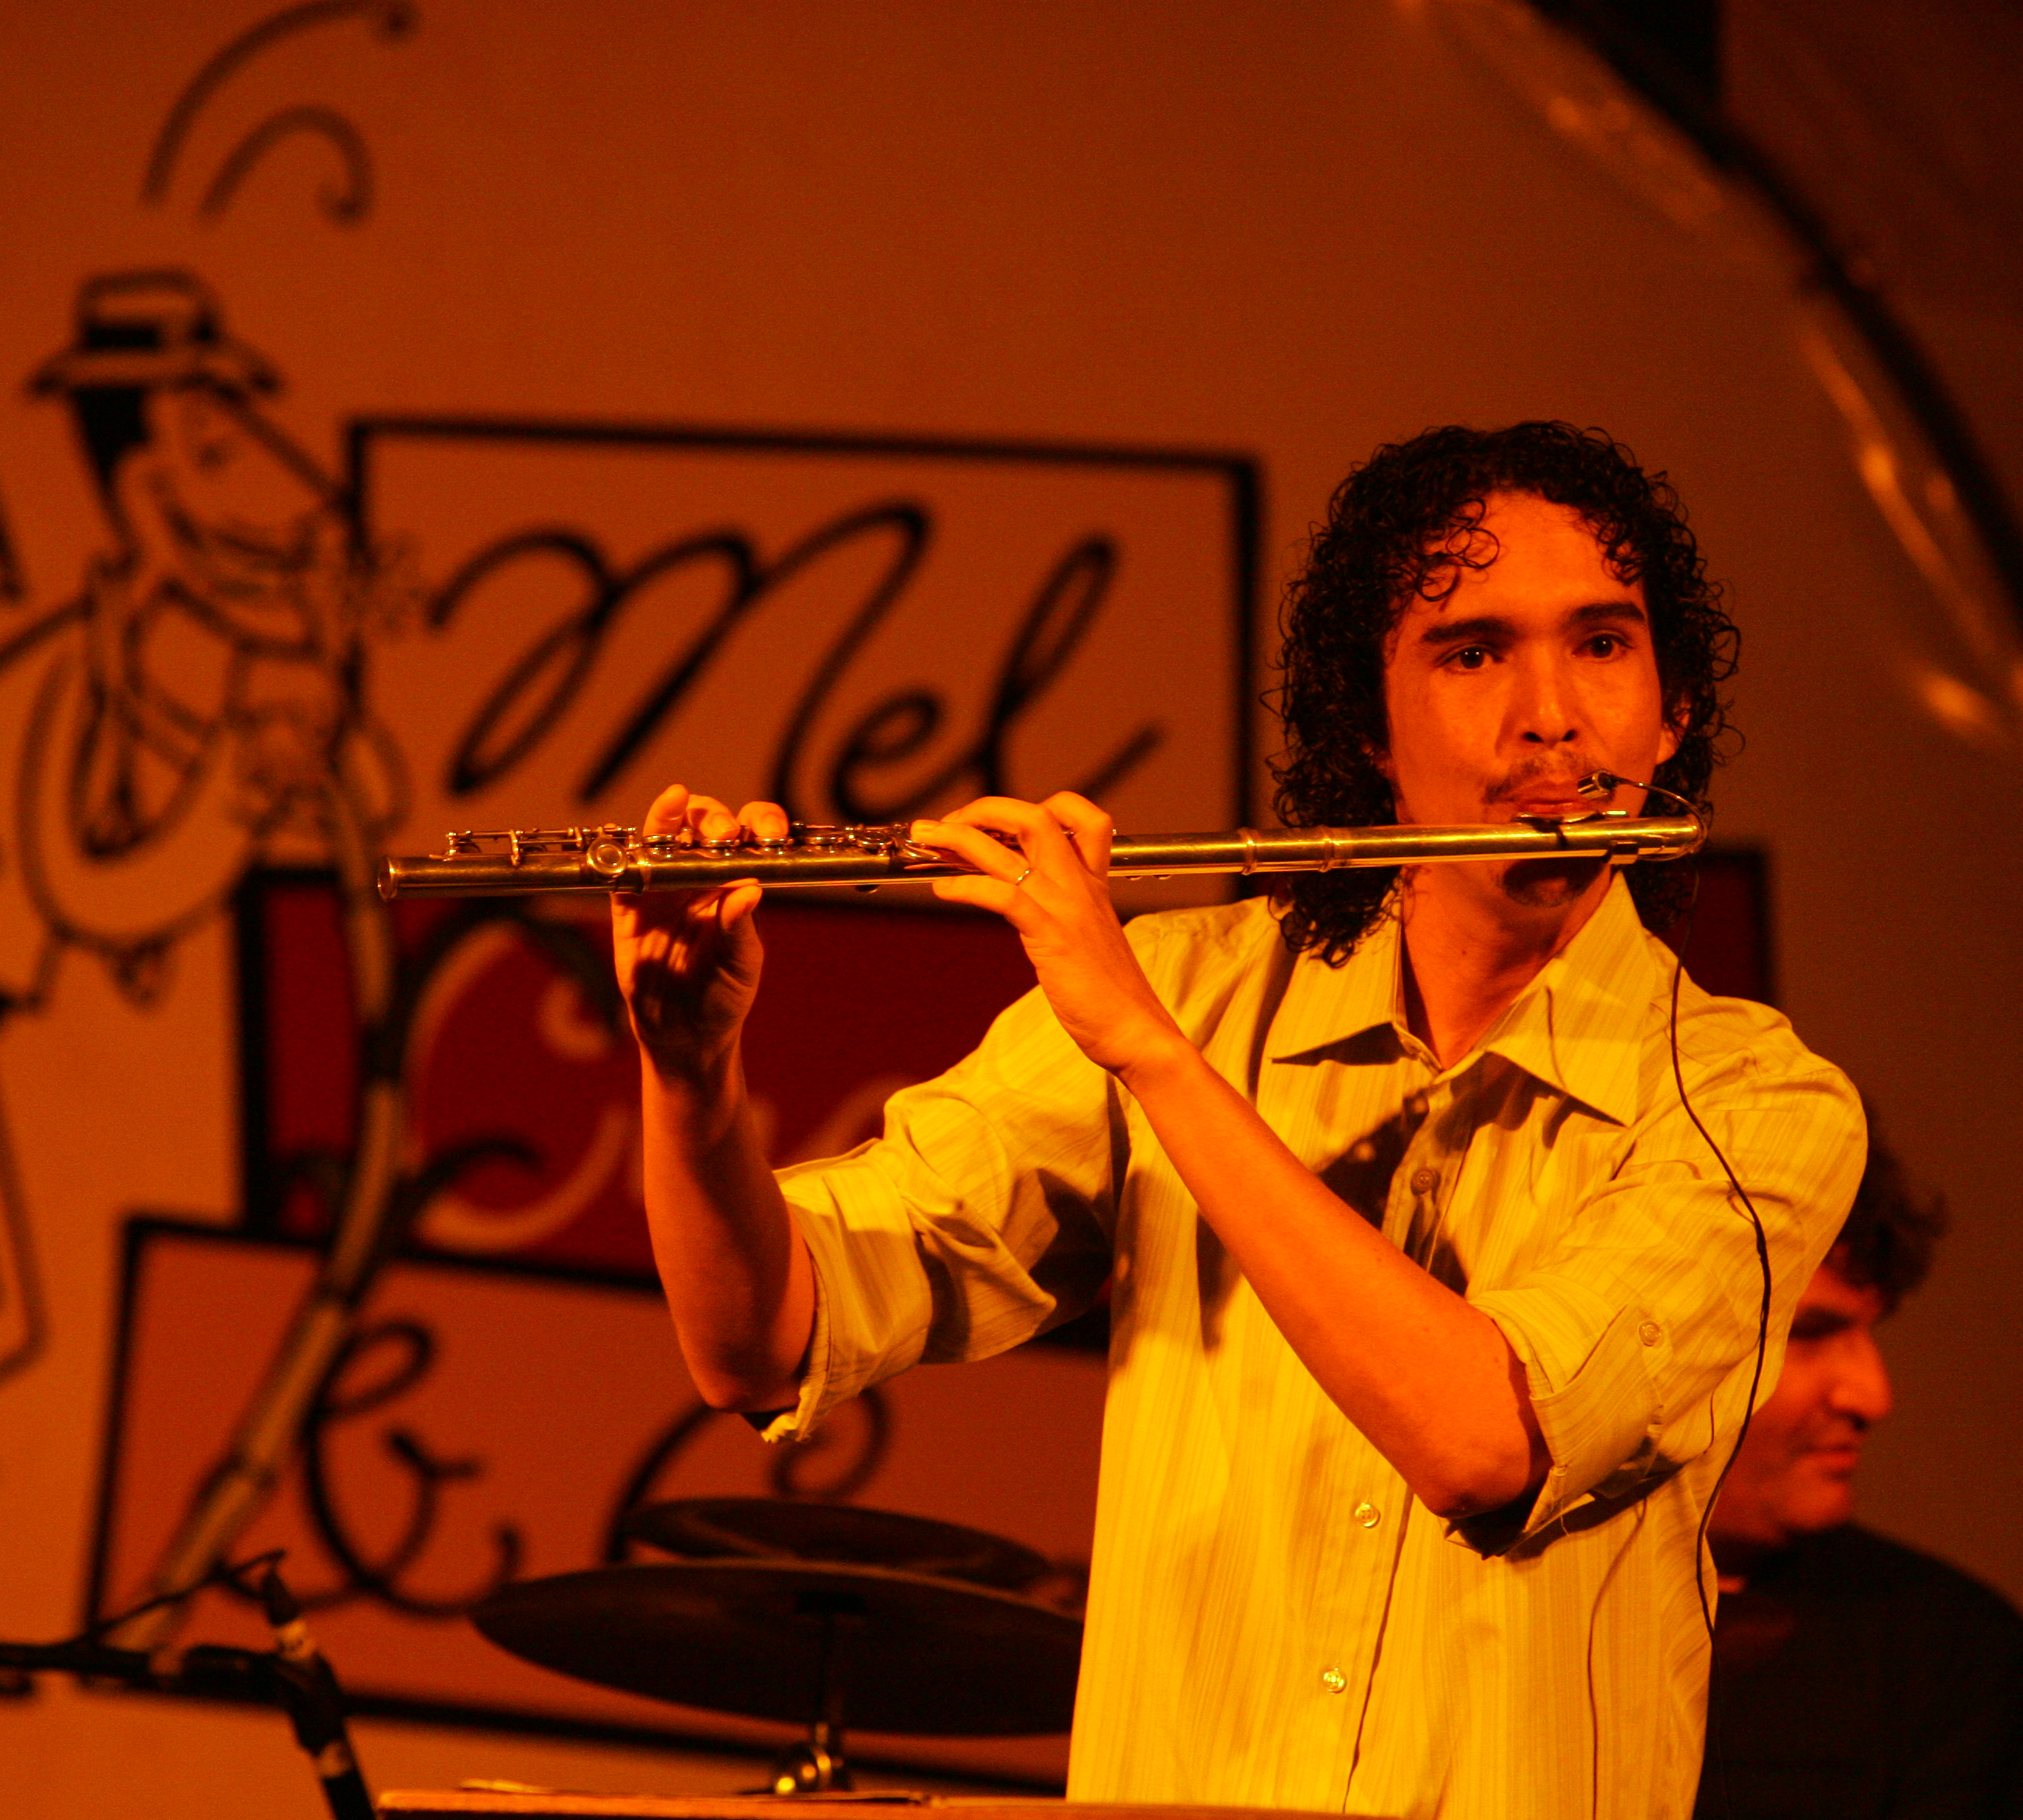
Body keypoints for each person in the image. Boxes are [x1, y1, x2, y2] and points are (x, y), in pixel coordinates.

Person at [610, 422, 1867, 1817]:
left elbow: (1485, 1442)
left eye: (1602, 644)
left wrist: (1150, 1055)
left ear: (1671, 709)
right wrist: (691, 1076)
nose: (1551, 716)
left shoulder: (1755, 1105)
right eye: (1470, 654)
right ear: (1366, 727)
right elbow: (760, 1340)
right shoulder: (1185, 991)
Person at [1696, 1136, 2023, 1818]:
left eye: (1869, 1333)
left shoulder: (1946, 1650)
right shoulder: (1502, 1620)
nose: (1874, 1396)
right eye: (1811, 1334)